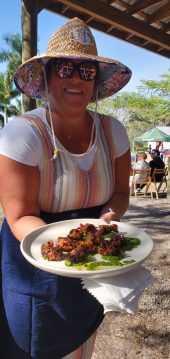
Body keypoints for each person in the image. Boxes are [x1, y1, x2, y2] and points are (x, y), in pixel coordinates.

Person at [0, 17, 131, 359]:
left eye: (86, 71)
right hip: (34, 253)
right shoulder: (22, 133)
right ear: (45, 76)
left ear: (96, 82)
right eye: (65, 69)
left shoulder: (113, 131)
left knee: (81, 342)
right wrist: (68, 249)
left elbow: (119, 193)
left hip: (92, 256)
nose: (76, 78)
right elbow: (20, 216)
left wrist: (108, 220)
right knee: (31, 342)